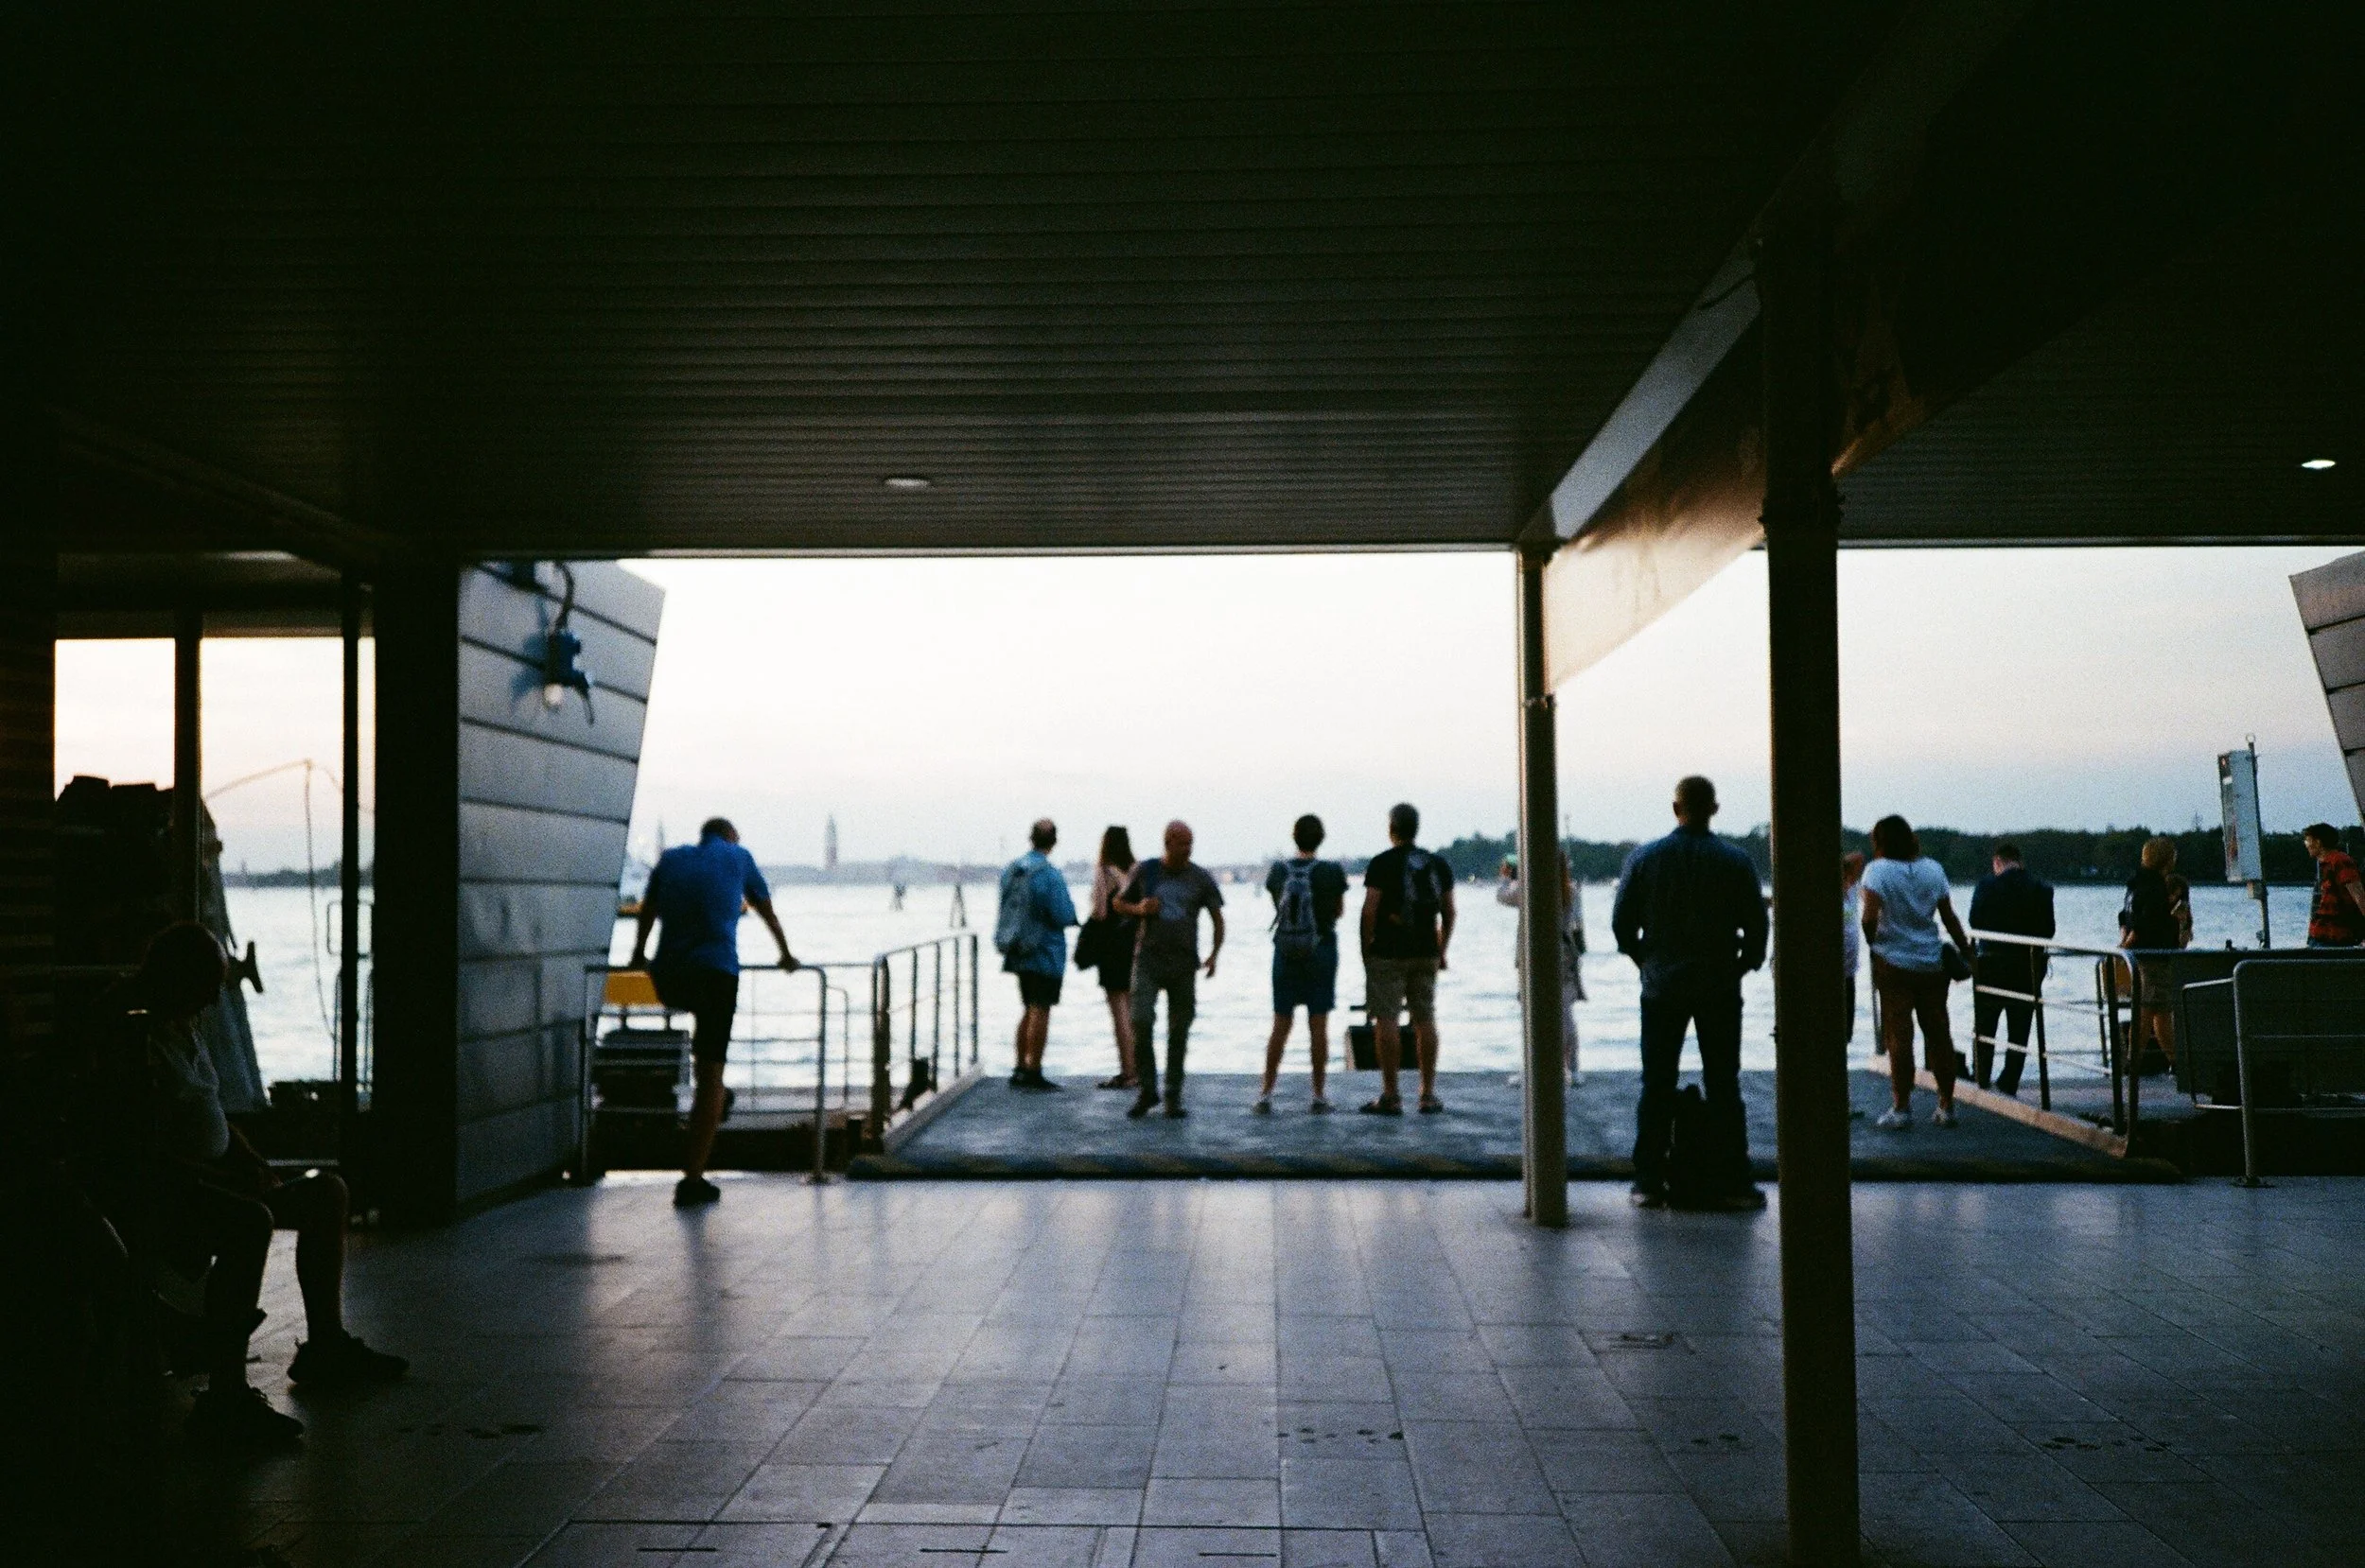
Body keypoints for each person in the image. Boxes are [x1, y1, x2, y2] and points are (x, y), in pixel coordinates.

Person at [104, 924, 407, 1449]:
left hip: (217, 1176)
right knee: (250, 1222)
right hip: (176, 1186)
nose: (216, 998)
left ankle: (325, 1344)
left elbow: (208, 1109)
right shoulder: (137, 1042)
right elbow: (138, 1145)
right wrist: (222, 1178)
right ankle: (226, 1395)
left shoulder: (184, 1028)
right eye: (209, 985)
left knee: (326, 1192)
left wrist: (251, 1160)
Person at [1610, 776, 1767, 1209]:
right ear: (1714, 808)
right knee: (1724, 1083)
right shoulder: (1736, 861)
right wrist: (1743, 964)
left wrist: (1646, 961)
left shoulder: (1643, 859)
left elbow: (1622, 924)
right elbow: (1757, 925)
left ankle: (1647, 1179)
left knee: (1657, 1082)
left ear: (1674, 807)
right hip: (1719, 984)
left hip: (1662, 986)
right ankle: (1734, 1179)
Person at [628, 816, 798, 1207]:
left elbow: (648, 910)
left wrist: (638, 954)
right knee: (710, 1075)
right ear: (731, 836)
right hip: (715, 975)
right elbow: (765, 910)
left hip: (669, 978)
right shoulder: (739, 856)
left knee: (706, 1064)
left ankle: (718, 1094)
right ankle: (692, 1180)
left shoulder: (670, 858)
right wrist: (785, 954)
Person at [1863, 814, 1974, 1129]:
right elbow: (1949, 917)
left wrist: (1874, 944)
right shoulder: (1933, 869)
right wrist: (1966, 950)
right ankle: (1946, 1104)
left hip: (1893, 963)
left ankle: (1901, 1107)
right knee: (1938, 1033)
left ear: (1880, 842)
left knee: (1900, 1037)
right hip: (1931, 963)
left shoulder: (1877, 872)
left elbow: (1870, 919)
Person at [1113, 821, 1225, 1119]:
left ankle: (1173, 1095)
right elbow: (1117, 903)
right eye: (1182, 843)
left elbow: (1217, 917)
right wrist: (1139, 910)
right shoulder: (1145, 871)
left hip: (1184, 965)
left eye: (1191, 843)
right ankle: (1148, 1090)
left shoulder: (1200, 878)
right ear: (1167, 842)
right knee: (1140, 1019)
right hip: (1147, 960)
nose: (1187, 849)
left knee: (1179, 1030)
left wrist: (1214, 955)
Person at [1358, 803, 1457, 1115]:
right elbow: (1450, 912)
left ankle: (1391, 1095)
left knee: (1386, 1019)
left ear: (1391, 828)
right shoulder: (1437, 864)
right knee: (1425, 1019)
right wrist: (1442, 949)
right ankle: (1427, 1094)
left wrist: (1367, 948)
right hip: (1426, 950)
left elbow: (1369, 910)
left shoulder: (1381, 863)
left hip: (1388, 952)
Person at [1257, 814, 1350, 1114]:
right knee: (1318, 1024)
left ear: (1294, 836)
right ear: (1320, 838)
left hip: (1285, 952)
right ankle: (1318, 1094)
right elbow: (1338, 911)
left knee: (1280, 1024)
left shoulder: (1278, 871)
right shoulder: (1331, 871)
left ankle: (1266, 1092)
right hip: (1321, 950)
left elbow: (1279, 907)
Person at [995, 819, 1079, 1091]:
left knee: (1028, 1006)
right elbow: (1063, 914)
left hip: (1017, 948)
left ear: (1030, 838)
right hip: (1045, 951)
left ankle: (1020, 1065)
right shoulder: (1050, 874)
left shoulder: (1012, 870)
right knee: (1041, 1009)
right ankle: (1034, 1069)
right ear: (1053, 842)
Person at [1966, 842, 2056, 1095]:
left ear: (1997, 862)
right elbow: (2048, 930)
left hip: (1991, 964)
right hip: (2027, 968)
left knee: (1985, 1024)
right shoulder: (2042, 889)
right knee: (2020, 1028)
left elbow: (1975, 921)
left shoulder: (1986, 886)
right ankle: (2009, 1081)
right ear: (2020, 861)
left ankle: (1981, 1075)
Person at [1496, 850, 1585, 1083]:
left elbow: (1502, 895)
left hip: (1532, 955)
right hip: (1564, 956)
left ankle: (1532, 1070)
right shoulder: (1572, 890)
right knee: (1565, 1015)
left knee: (1531, 1013)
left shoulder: (1526, 889)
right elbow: (1577, 925)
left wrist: (1506, 876)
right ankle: (1572, 1069)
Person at [2118, 836, 2183, 1073]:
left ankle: (2173, 1061)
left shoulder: (2134, 884)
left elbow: (2125, 917)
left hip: (2141, 956)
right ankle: (2167, 1062)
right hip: (2154, 957)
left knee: (2157, 1011)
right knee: (2152, 1011)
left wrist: (2125, 940)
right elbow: (2146, 922)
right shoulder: (2155, 886)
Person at [1086, 826, 1142, 1090]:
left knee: (1118, 1009)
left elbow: (1098, 912)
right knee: (1132, 1007)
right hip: (1134, 942)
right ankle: (1139, 1068)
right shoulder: (1137, 870)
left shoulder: (1104, 871)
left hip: (1111, 944)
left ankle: (1127, 1071)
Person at [2304, 823, 2365, 947]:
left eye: (2308, 840)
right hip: (2322, 935)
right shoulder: (2326, 865)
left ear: (2318, 842)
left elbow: (2359, 897)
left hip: (2334, 937)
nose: (2306, 844)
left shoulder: (2340, 861)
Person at [1841, 852, 1866, 1054]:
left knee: (1847, 1029)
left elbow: (1858, 856)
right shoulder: (1830, 893)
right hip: (1833, 971)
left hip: (1849, 970)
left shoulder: (1853, 891)